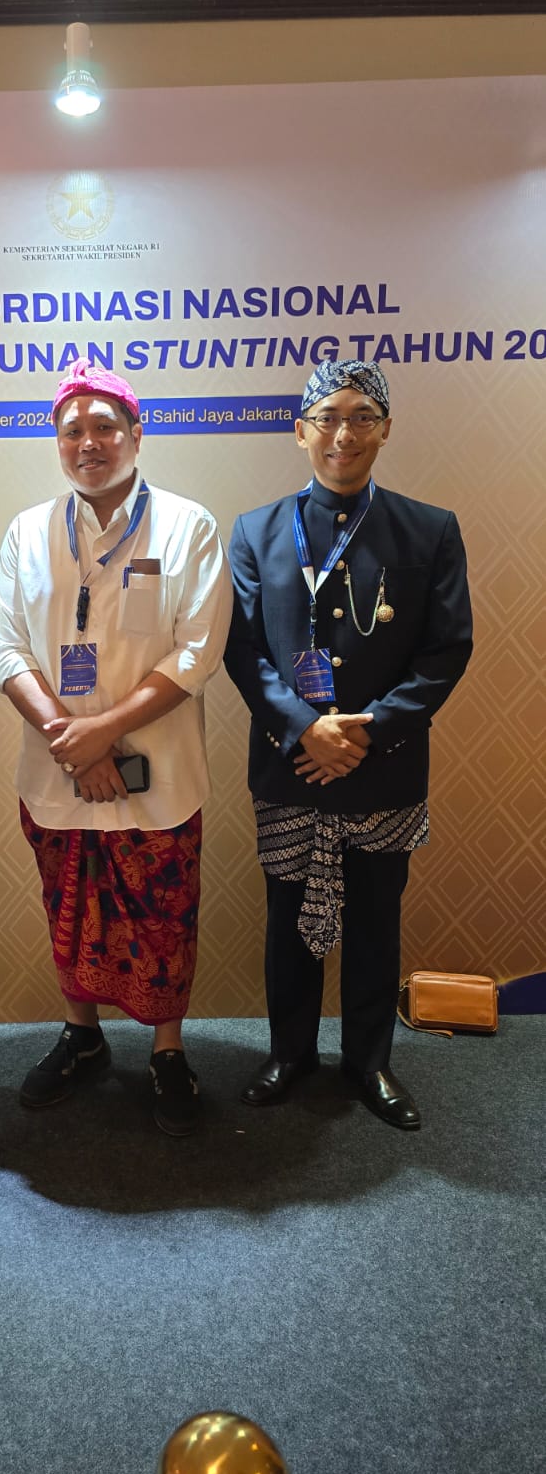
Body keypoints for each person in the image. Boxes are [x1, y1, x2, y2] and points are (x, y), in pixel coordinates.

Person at [225, 360, 472, 1129]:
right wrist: (306, 727)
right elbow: (242, 650)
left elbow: (446, 650)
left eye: (363, 416)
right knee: (287, 921)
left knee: (374, 923)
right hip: (291, 763)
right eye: (327, 417)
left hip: (382, 767)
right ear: (299, 431)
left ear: (385, 429)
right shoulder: (256, 530)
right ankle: (289, 1054)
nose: (344, 433)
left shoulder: (429, 529)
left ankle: (370, 1063)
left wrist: (370, 731)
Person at [0, 359, 232, 1136]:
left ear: (136, 433)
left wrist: (104, 730)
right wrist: (75, 742)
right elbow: (1, 647)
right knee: (66, 907)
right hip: (57, 770)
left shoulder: (188, 526)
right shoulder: (28, 532)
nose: (87, 443)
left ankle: (168, 1050)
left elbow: (198, 650)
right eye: (72, 432)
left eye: (103, 427)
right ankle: (83, 1035)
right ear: (58, 444)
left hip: (157, 774)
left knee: (165, 916)